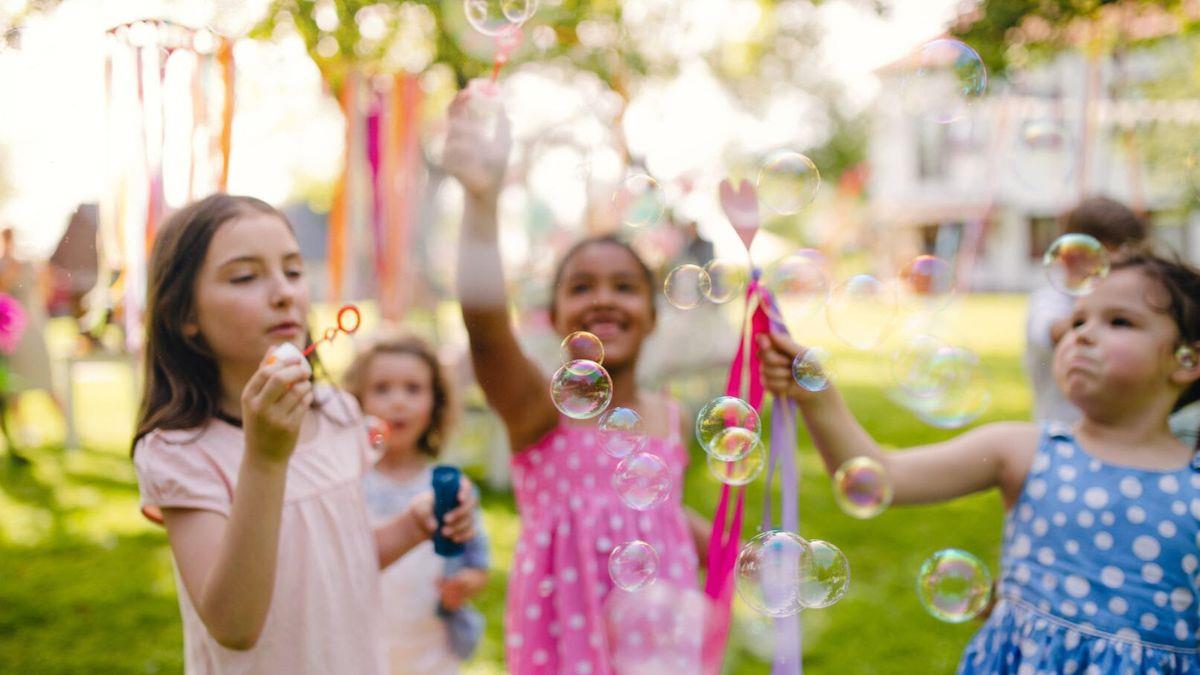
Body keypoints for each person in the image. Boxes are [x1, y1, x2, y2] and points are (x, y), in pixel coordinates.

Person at [760, 250, 1200, 673]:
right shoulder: (1024, 449)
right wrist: (818, 396)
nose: (1081, 334)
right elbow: (882, 475)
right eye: (1077, 320)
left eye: (1119, 321)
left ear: (1188, 359)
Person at [130, 194, 477, 673]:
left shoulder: (336, 412)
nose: (283, 293)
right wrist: (265, 459)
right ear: (185, 314)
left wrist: (414, 526)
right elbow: (234, 624)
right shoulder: (181, 451)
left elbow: (341, 563)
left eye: (292, 271)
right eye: (246, 276)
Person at [443, 86, 710, 672]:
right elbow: (485, 328)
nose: (603, 301)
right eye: (581, 287)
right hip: (570, 631)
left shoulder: (673, 416)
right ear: (555, 315)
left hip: (659, 636)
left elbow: (657, 512)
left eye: (624, 286)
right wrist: (482, 201)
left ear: (653, 312)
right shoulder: (541, 410)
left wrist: (722, 549)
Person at [344, 333, 490, 674]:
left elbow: (477, 562)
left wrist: (467, 582)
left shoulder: (449, 486)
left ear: (434, 402)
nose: (398, 402)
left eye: (413, 389)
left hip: (429, 648)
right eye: (382, 389)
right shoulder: (348, 482)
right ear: (358, 401)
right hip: (360, 644)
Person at [1025, 197, 1147, 425]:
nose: (1121, 273)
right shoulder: (1051, 299)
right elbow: (1050, 332)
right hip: (1061, 433)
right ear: (1071, 256)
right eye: (1109, 264)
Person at [0, 226, 58, 459]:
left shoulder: (30, 262)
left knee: (45, 377)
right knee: (15, 383)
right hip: (12, 328)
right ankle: (21, 430)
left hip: (33, 324)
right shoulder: (5, 265)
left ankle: (66, 428)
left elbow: (45, 288)